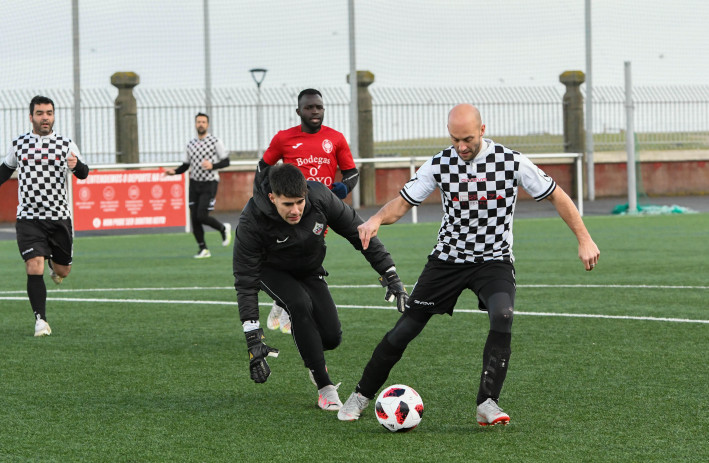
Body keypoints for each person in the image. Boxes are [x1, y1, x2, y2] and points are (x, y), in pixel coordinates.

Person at [337, 104, 600, 426]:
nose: (461, 147)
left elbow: (557, 195)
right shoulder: (440, 163)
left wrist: (584, 239)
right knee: (405, 329)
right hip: (447, 260)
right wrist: (376, 219)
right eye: (455, 139)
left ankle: (487, 403)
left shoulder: (511, 161)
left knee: (502, 316)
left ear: (483, 130)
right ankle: (361, 395)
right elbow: (403, 202)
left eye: (468, 139)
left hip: (494, 261)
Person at [232, 163, 408, 411]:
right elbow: (245, 280)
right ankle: (324, 386)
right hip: (271, 271)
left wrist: (390, 274)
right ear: (272, 198)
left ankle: (306, 341)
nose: (295, 210)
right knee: (298, 303)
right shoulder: (251, 220)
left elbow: (358, 232)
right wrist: (253, 338)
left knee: (331, 337)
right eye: (287, 204)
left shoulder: (321, 197)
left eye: (299, 202)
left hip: (309, 268)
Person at [0, 95, 90, 337]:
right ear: (31, 116)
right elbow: (7, 166)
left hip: (58, 217)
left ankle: (56, 266)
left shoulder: (66, 144)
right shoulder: (19, 143)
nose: (45, 117)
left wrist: (76, 166)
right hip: (29, 217)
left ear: (53, 116)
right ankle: (40, 321)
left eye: (49, 113)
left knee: (63, 271)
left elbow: (84, 173)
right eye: (40, 113)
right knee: (34, 265)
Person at [261, 88, 360, 334]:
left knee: (309, 255)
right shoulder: (284, 138)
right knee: (295, 253)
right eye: (309, 107)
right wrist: (268, 197)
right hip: (292, 210)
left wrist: (342, 188)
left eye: (318, 107)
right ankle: (287, 304)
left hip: (320, 211)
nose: (315, 111)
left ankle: (281, 302)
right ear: (299, 111)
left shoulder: (335, 139)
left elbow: (353, 172)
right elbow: (263, 167)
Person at [165, 112, 231, 258]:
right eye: (198, 122)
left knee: (202, 215)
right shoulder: (190, 144)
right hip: (194, 184)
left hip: (210, 183)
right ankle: (203, 249)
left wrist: (212, 165)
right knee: (194, 217)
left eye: (203, 122)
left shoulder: (215, 141)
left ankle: (222, 228)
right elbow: (185, 165)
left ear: (207, 125)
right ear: (195, 124)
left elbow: (226, 161)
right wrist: (174, 172)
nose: (200, 124)